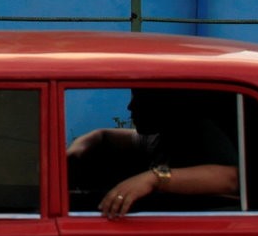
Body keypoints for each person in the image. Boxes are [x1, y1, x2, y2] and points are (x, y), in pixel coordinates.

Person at [68, 88, 240, 218]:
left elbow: (231, 178)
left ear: (164, 103)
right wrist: (73, 154)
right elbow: (102, 136)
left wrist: (153, 179)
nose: (130, 106)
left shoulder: (200, 135)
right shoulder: (162, 138)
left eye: (139, 98)